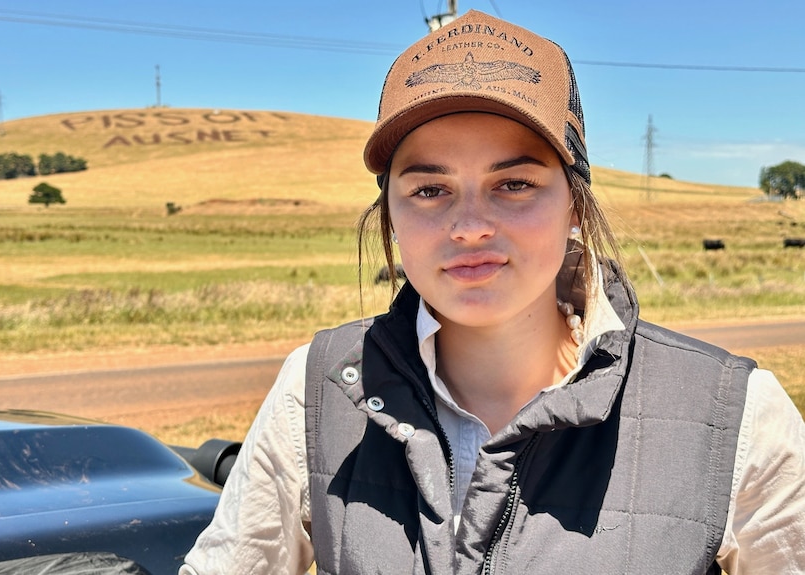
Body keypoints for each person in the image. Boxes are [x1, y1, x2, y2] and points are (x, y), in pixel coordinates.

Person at [180, 10, 805, 574]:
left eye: (515, 184)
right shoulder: (316, 389)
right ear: (391, 216)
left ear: (576, 208)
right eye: (429, 189)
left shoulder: (735, 415)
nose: (470, 224)